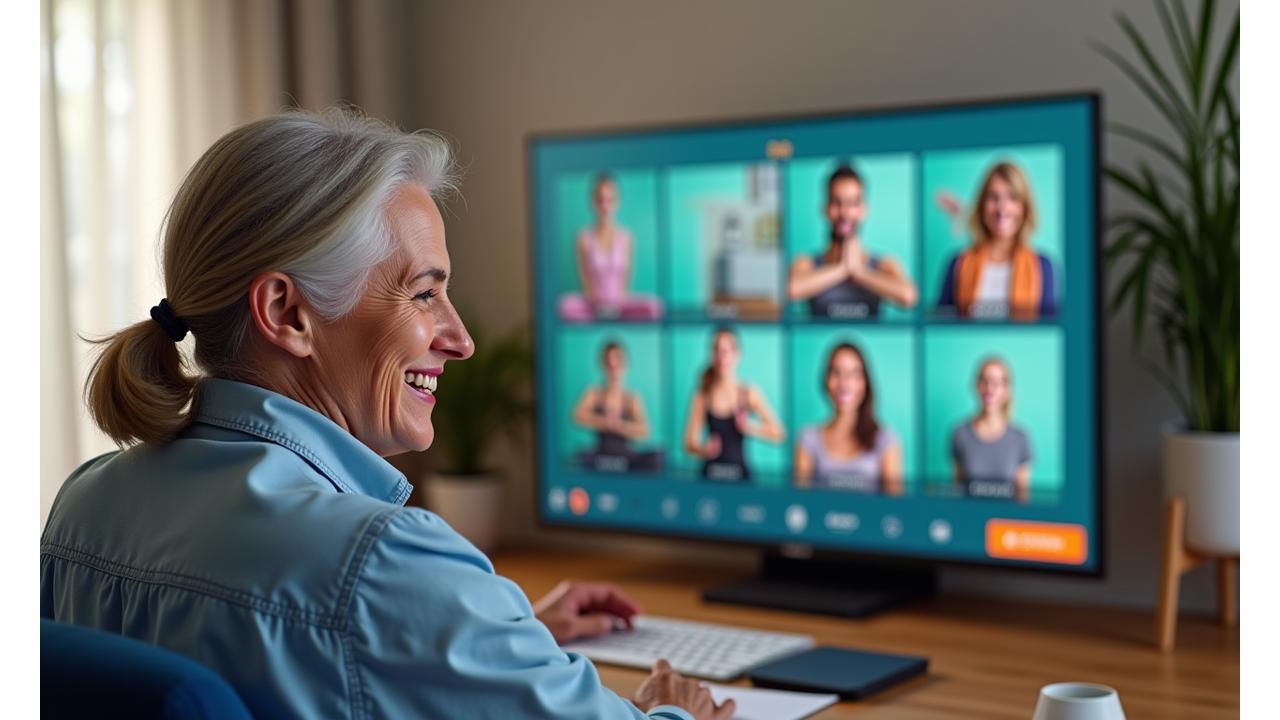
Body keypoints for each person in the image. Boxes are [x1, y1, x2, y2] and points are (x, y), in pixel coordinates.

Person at [40, 109, 732, 720]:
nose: (461, 340)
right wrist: (676, 710)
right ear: (288, 313)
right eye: (424, 294)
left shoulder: (82, 506)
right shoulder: (384, 565)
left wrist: (488, 645)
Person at [787, 164, 918, 318]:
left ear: (863, 210)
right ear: (825, 209)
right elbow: (790, 290)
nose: (844, 212)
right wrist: (842, 269)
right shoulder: (806, 263)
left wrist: (859, 272)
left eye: (852, 203)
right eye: (837, 203)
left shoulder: (884, 264)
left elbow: (909, 296)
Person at [935, 161, 1057, 319]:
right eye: (993, 197)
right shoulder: (958, 264)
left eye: (1013, 198)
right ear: (982, 205)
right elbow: (940, 327)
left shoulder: (1043, 267)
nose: (1002, 208)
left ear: (1025, 207)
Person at [793, 343, 903, 494]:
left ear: (864, 383)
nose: (844, 384)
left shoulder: (886, 439)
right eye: (836, 373)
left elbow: (896, 508)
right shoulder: (808, 438)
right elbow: (799, 503)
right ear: (826, 380)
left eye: (853, 374)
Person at [682, 327, 784, 482]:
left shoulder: (748, 393)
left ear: (737, 355)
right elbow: (688, 443)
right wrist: (704, 449)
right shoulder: (702, 396)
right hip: (710, 477)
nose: (722, 356)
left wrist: (750, 427)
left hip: (741, 478)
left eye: (727, 350)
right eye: (717, 350)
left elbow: (779, 434)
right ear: (711, 354)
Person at [558, 173, 664, 321]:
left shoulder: (626, 237)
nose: (605, 206)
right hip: (592, 305)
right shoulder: (583, 237)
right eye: (600, 200)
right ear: (593, 202)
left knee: (655, 306)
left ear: (617, 202)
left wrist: (616, 306)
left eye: (610, 200)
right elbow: (585, 280)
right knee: (562, 306)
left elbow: (627, 280)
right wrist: (598, 306)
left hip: (619, 304)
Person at [572, 340, 663, 472]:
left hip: (625, 457)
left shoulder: (631, 398)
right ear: (603, 365)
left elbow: (644, 431)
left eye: (617, 363)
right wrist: (604, 422)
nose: (613, 368)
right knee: (581, 456)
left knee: (657, 457)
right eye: (609, 364)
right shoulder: (594, 394)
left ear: (625, 365)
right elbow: (577, 416)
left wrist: (619, 425)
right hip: (601, 455)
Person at [951, 357, 1033, 502]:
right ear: (976, 386)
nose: (990, 388)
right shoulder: (960, 434)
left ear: (1006, 390)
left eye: (997, 383)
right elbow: (957, 492)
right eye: (985, 381)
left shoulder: (1020, 438)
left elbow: (1023, 499)